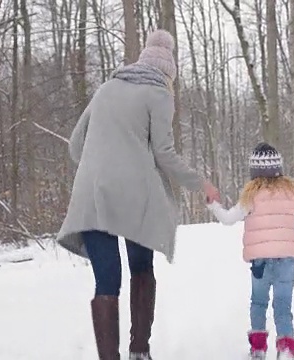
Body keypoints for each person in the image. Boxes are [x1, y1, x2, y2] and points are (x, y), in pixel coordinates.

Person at [55, 29, 220, 360]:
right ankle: (139, 352)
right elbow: (164, 153)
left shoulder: (106, 89)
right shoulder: (159, 94)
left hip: (93, 195)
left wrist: (100, 166)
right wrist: (201, 184)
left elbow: (75, 145)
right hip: (135, 199)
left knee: (107, 282)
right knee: (141, 269)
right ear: (168, 70)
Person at [206, 142, 294, 360]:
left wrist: (213, 205)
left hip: (260, 262)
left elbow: (228, 219)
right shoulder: (291, 194)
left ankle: (258, 348)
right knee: (283, 304)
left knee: (259, 302)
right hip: (287, 259)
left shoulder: (251, 196)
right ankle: (286, 347)